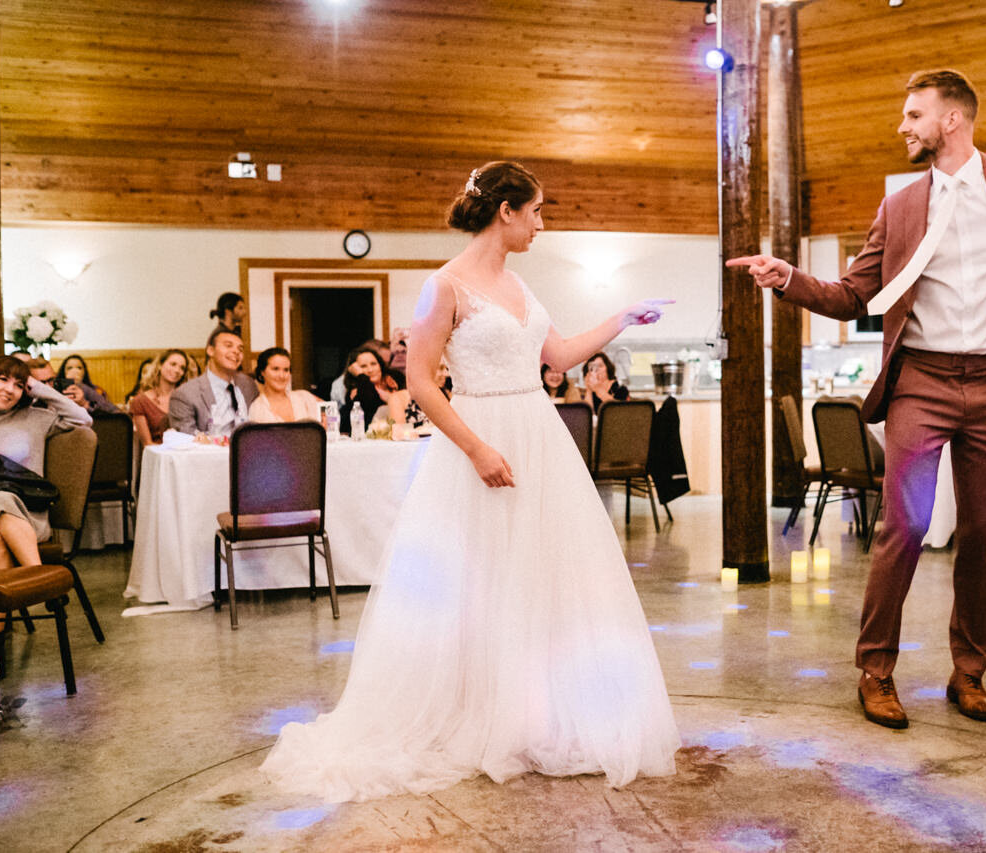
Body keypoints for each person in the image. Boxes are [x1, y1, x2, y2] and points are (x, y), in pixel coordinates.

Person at [261, 160, 678, 802]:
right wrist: (478, 448)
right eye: (536, 211)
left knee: (541, 573)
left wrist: (625, 315)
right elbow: (422, 381)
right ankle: (475, 711)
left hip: (539, 437)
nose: (542, 225)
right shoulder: (445, 286)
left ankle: (535, 712)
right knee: (478, 578)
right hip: (477, 438)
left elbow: (560, 356)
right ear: (506, 211)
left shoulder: (522, 287)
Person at [727, 69, 986, 729]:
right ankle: (875, 670)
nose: (903, 127)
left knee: (980, 534)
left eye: (913, 115)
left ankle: (970, 672)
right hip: (921, 384)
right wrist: (787, 278)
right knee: (901, 527)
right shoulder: (899, 206)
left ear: (953, 119)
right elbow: (855, 294)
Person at [0, 355, 91, 585]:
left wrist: (38, 387)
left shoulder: (35, 418)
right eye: (3, 379)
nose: (9, 389)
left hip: (28, 515)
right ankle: (42, 581)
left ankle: (0, 618)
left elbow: (83, 419)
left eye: (19, 385)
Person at [167, 328, 258, 436]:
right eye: (228, 345)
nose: (236, 351)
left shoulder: (248, 385)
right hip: (208, 452)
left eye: (240, 349)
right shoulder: (185, 394)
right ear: (210, 350)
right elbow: (185, 439)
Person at [128, 349, 190, 446]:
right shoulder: (140, 401)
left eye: (182, 368)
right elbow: (147, 444)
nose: (177, 370)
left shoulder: (186, 400)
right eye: (173, 364)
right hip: (158, 456)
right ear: (160, 365)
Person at [248, 347, 323, 423]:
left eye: (286, 370)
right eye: (275, 369)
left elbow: (331, 414)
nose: (282, 375)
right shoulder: (257, 409)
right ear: (262, 372)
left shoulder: (304, 397)